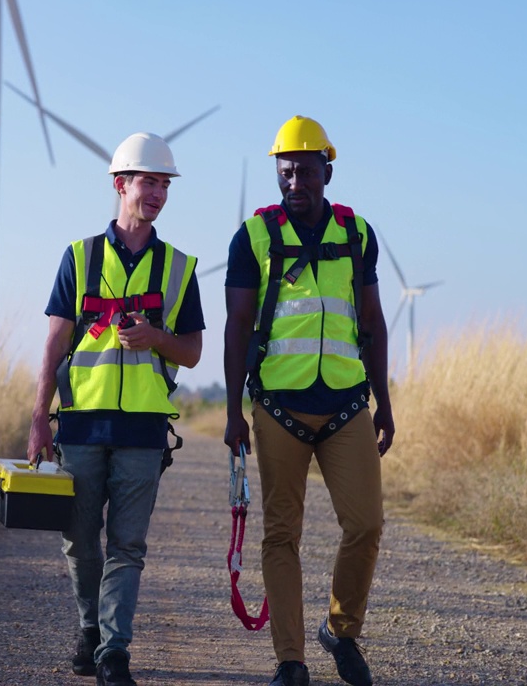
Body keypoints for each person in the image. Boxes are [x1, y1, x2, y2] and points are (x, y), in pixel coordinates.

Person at [222, 116, 394, 686]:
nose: (294, 181)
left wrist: (385, 403)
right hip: (278, 410)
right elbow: (237, 326)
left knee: (366, 525)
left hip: (348, 405)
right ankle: (290, 661)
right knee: (281, 536)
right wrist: (231, 414)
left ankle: (340, 631)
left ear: (328, 168)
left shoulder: (357, 233)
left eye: (304, 170)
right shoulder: (253, 237)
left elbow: (372, 321)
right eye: (285, 170)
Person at [28, 132, 204, 686]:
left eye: (164, 184)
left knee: (127, 545)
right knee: (80, 541)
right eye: (147, 181)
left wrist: (156, 338)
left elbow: (194, 352)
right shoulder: (78, 258)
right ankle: (90, 628)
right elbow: (55, 344)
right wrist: (39, 415)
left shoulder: (179, 269)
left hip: (143, 433)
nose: (156, 193)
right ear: (119, 184)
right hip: (80, 426)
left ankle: (113, 653)